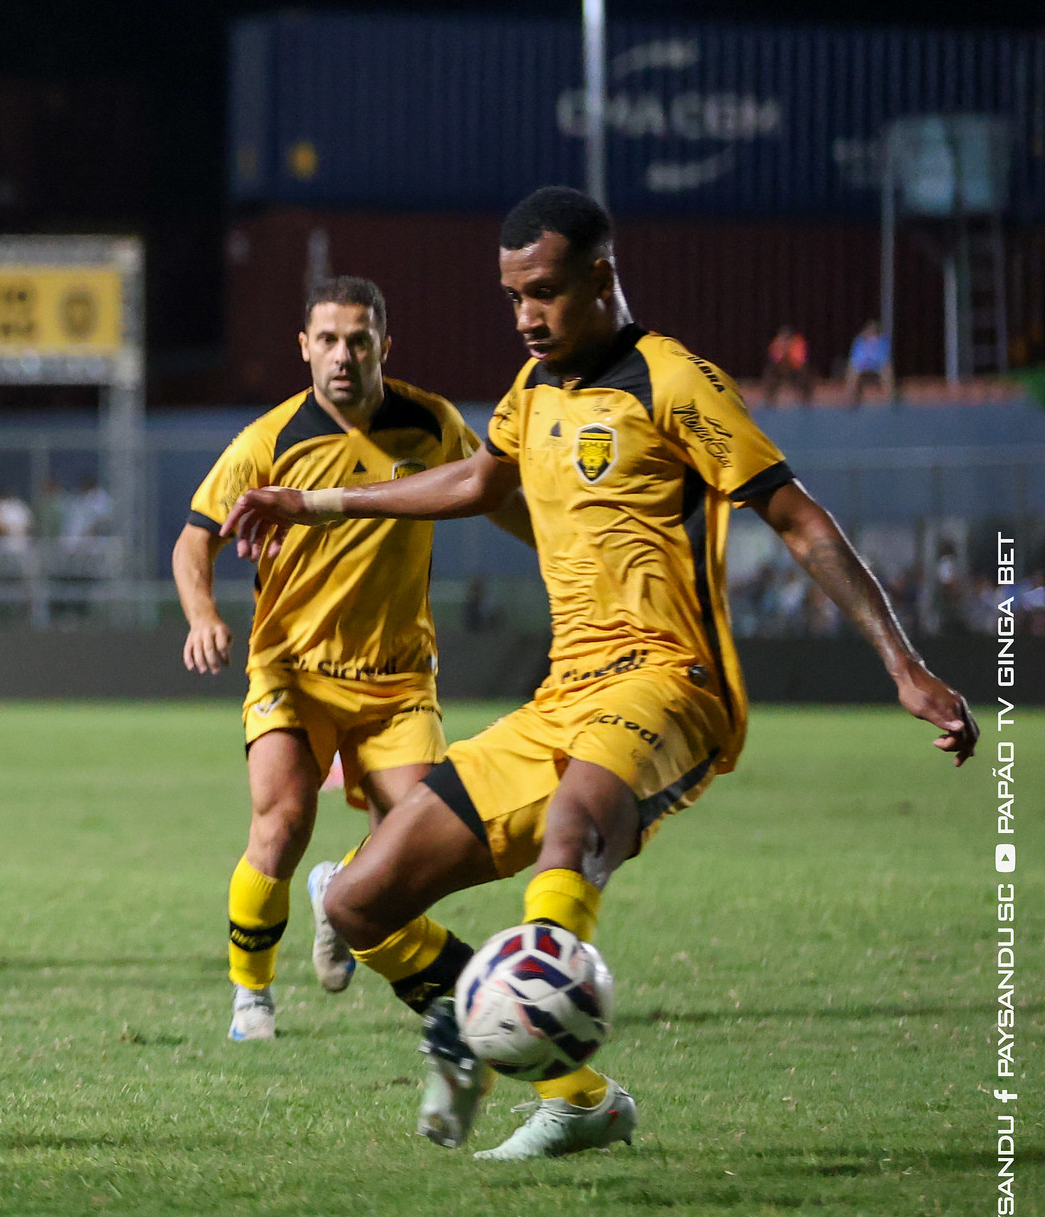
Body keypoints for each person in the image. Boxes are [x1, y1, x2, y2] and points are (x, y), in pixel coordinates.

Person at [223, 187, 976, 1158]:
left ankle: (493, 1021)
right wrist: (317, 503)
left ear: (598, 276)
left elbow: (793, 515)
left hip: (670, 681)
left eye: (540, 291)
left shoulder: (673, 382)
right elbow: (475, 480)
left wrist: (902, 664)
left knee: (571, 827)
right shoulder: (530, 393)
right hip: (561, 693)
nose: (525, 315)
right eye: (510, 298)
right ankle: (573, 1091)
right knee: (358, 901)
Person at [174, 276, 531, 1042]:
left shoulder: (432, 423)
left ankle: (338, 890)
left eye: (358, 339)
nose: (343, 354)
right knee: (282, 817)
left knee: (415, 846)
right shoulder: (267, 442)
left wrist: (571, 554)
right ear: (304, 347)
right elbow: (193, 537)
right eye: (328, 340)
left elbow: (495, 496)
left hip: (399, 678)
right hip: (292, 670)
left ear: (384, 345)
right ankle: (253, 996)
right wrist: (202, 612)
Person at [846, 320, 895, 407]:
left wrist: (875, 362)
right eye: (869, 331)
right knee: (852, 370)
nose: (871, 333)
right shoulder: (859, 342)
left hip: (878, 365)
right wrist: (861, 365)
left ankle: (889, 398)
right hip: (863, 365)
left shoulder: (883, 342)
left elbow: (883, 359)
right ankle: (851, 398)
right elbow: (856, 359)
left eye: (873, 332)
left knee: (887, 369)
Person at [760, 325, 812, 406]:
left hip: (795, 368)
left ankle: (806, 400)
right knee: (770, 372)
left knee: (805, 373)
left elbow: (801, 359)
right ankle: (770, 400)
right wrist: (783, 356)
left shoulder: (798, 342)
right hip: (780, 368)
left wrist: (790, 358)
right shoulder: (777, 343)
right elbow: (774, 358)